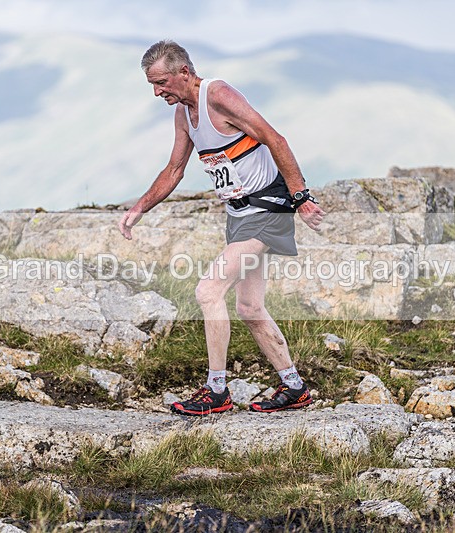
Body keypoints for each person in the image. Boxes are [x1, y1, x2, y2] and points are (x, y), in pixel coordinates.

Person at [119, 40, 325, 416]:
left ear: (184, 72)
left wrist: (301, 197)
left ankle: (216, 390)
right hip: (239, 216)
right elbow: (174, 170)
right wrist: (139, 208)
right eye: (152, 85)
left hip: (268, 209)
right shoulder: (184, 114)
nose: (157, 92)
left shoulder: (218, 95)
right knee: (249, 306)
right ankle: (294, 387)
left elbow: (275, 139)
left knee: (208, 290)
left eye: (161, 82)